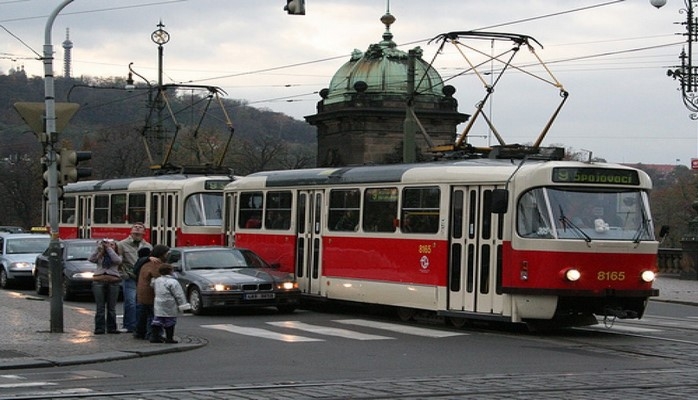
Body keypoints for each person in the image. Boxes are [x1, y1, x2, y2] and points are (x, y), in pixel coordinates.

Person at [117, 223, 152, 333]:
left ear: (144, 232)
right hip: (130, 277)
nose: (137, 228)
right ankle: (129, 325)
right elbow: (118, 261)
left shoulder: (148, 246)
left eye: (140, 227)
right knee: (130, 302)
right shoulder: (122, 244)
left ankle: (138, 326)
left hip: (142, 278)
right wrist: (123, 274)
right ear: (131, 231)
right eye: (135, 227)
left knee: (140, 303)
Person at [136, 244, 169, 341]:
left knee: (144, 315)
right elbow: (161, 279)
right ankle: (153, 335)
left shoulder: (146, 263)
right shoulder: (156, 265)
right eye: (166, 253)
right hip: (151, 294)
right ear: (161, 254)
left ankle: (140, 333)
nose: (167, 255)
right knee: (154, 315)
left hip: (142, 294)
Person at [89, 239, 123, 335]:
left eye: (112, 244)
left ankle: (111, 328)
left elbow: (117, 261)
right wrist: (99, 249)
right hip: (99, 281)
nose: (109, 246)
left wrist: (109, 249)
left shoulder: (117, 255)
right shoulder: (100, 256)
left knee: (111, 307)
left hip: (113, 282)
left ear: (115, 246)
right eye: (108, 244)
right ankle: (99, 328)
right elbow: (91, 259)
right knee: (100, 307)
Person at [150, 264, 190, 343]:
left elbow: (152, 285)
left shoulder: (157, 280)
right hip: (169, 303)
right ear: (171, 271)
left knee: (157, 320)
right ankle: (169, 338)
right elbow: (179, 294)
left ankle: (155, 336)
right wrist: (183, 305)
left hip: (158, 302)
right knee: (170, 321)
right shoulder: (173, 282)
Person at [131, 247, 152, 340]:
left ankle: (139, 332)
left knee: (141, 312)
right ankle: (144, 332)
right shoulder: (145, 263)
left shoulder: (139, 263)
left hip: (140, 291)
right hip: (145, 292)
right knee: (145, 312)